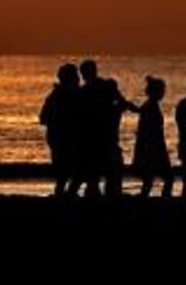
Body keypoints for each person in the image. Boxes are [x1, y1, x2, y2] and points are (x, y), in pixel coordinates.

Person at [77, 59, 137, 197]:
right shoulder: (104, 86)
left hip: (94, 139)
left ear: (84, 74)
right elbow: (122, 101)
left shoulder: (85, 91)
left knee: (96, 176)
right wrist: (132, 109)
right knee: (111, 174)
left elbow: (80, 117)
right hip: (104, 137)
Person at [39, 63, 82, 197]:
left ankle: (65, 194)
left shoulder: (55, 96)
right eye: (75, 76)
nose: (78, 79)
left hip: (58, 137)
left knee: (64, 172)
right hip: (66, 138)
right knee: (73, 171)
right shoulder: (68, 95)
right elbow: (43, 118)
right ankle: (67, 194)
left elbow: (43, 118)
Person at [134, 76, 173, 198]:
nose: (163, 92)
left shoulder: (149, 106)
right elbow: (153, 132)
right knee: (168, 178)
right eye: (162, 90)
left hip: (150, 148)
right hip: (154, 148)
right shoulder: (151, 107)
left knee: (148, 181)